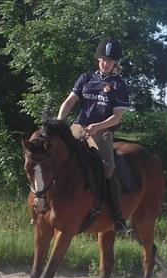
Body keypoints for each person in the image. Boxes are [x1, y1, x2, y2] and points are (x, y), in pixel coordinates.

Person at [57, 37, 131, 232]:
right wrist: (59, 121)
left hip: (102, 132)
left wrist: (98, 127)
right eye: (102, 60)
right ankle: (45, 203)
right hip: (78, 126)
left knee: (108, 168)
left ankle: (117, 215)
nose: (104, 64)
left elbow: (117, 118)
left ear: (115, 63)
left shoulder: (119, 85)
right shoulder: (86, 78)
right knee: (55, 155)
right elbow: (69, 102)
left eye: (109, 61)